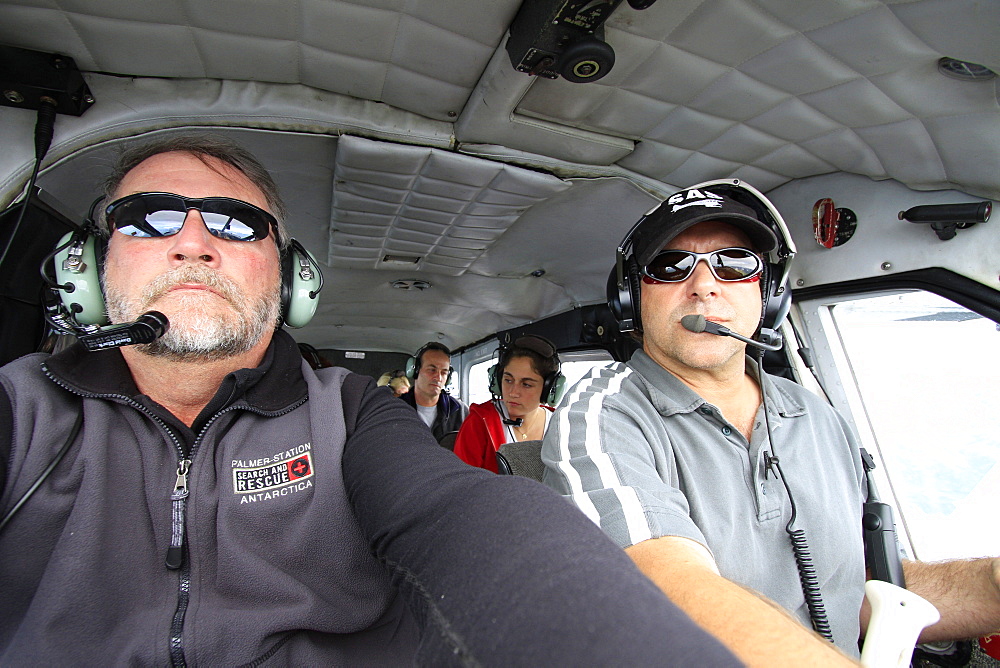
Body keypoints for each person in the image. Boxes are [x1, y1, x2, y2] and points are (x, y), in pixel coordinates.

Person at [0, 137, 743, 666]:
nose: (193, 243)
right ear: (87, 268)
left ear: (289, 279)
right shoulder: (21, 408)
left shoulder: (350, 412)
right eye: (150, 219)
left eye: (234, 223)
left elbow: (462, 515)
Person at [542, 181, 1000, 666]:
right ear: (632, 298)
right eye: (669, 266)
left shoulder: (818, 416)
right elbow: (667, 585)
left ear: (770, 293)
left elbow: (857, 588)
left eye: (736, 263)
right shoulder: (600, 414)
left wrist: (991, 585)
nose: (704, 285)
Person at [453, 335, 561, 473]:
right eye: (508, 380)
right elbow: (462, 483)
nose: (513, 392)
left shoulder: (559, 424)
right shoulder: (478, 423)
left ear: (549, 389)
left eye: (526, 384)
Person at [400, 342, 469, 443]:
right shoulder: (396, 408)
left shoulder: (460, 411)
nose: (438, 378)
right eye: (432, 370)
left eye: (444, 372)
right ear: (415, 371)